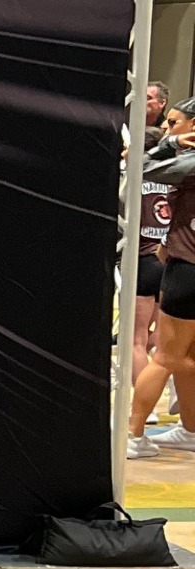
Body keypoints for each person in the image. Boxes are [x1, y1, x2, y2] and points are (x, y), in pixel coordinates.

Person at [132, 102, 195, 455]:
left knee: (166, 357)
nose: (169, 127)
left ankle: (133, 433)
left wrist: (172, 145)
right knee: (187, 356)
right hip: (185, 264)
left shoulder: (190, 163)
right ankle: (190, 430)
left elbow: (141, 169)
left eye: (174, 123)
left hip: (187, 268)